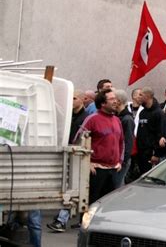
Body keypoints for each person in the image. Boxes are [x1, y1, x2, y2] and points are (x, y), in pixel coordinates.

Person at [47, 90, 89, 233]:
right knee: (69, 187)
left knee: (73, 188)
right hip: (68, 154)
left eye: (74, 98)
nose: (71, 101)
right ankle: (62, 218)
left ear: (82, 100)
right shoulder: (69, 116)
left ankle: (62, 219)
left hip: (78, 156)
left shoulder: (86, 117)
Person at [77, 89, 124, 205]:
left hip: (113, 171)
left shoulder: (117, 120)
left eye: (116, 99)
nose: (116, 102)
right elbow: (78, 141)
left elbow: (121, 142)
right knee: (92, 205)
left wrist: (120, 161)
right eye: (112, 99)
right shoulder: (92, 119)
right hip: (96, 172)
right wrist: (87, 162)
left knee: (108, 206)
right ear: (102, 103)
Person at [136, 87, 164, 175]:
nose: (138, 97)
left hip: (151, 153)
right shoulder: (142, 112)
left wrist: (157, 154)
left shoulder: (158, 113)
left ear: (148, 96)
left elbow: (160, 134)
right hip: (141, 153)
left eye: (141, 95)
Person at [114, 89, 135, 186]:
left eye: (113, 99)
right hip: (116, 158)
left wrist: (123, 160)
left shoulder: (127, 119)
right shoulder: (117, 117)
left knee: (117, 186)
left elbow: (128, 141)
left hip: (122, 160)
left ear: (118, 101)